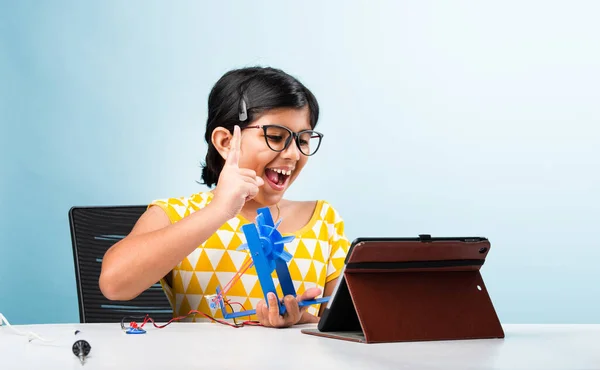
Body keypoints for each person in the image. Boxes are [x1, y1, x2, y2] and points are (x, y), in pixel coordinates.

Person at [99, 66, 350, 328]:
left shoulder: (323, 221)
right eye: (276, 137)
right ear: (225, 142)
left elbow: (346, 327)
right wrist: (218, 210)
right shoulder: (175, 214)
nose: (293, 154)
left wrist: (305, 322)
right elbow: (114, 284)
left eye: (304, 140)